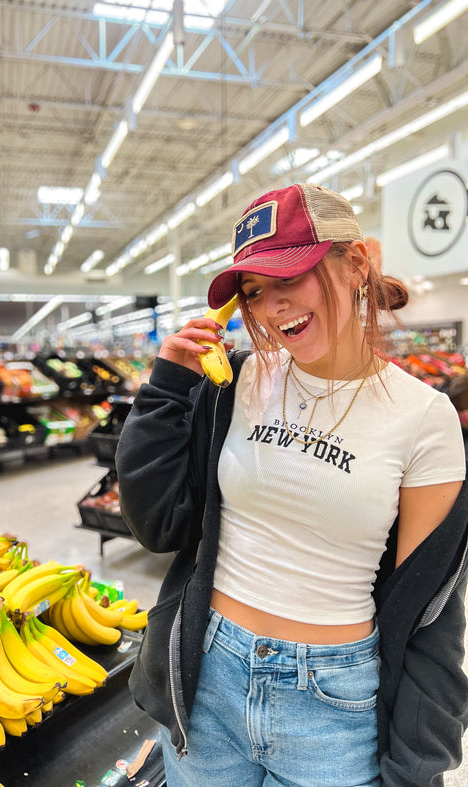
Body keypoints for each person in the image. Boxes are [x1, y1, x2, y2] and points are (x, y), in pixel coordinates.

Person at [115, 183, 468, 786]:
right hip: (209, 677)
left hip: (332, 705)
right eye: (254, 293)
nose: (272, 308)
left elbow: (431, 613)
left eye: (290, 278)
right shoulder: (235, 385)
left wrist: (418, 767)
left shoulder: (425, 418)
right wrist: (168, 386)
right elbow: (156, 524)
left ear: (355, 264)